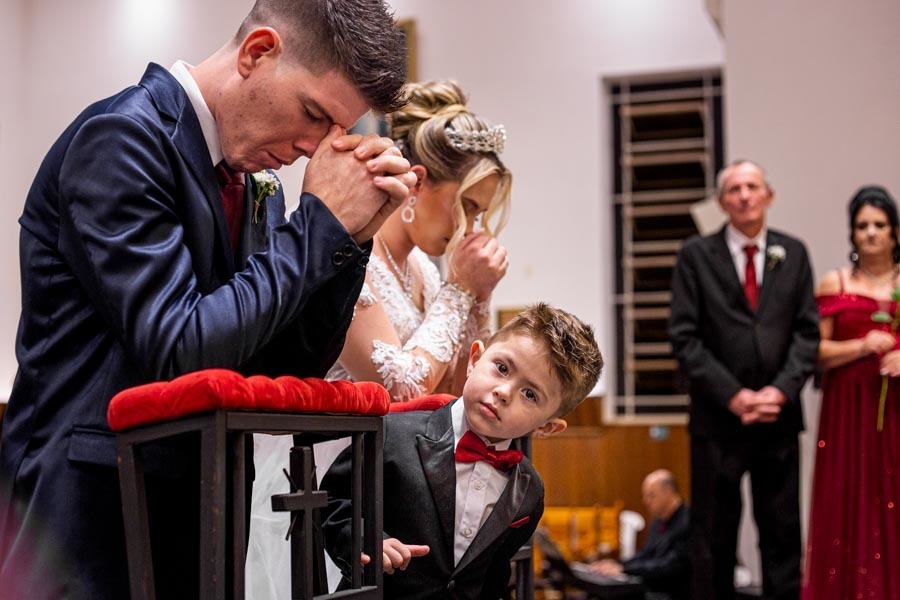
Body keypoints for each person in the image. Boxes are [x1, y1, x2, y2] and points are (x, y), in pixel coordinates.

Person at [0, 1, 415, 598]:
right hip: (85, 518)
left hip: (203, 514)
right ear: (258, 51)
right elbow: (181, 346)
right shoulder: (122, 139)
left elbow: (277, 365)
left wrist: (348, 239)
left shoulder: (252, 180)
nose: (311, 148)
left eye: (334, 132)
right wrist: (316, 226)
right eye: (312, 114)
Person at [246, 79, 512, 597]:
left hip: (389, 481)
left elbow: (454, 392)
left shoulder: (426, 274)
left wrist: (476, 299)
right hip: (324, 477)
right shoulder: (357, 257)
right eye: (469, 206)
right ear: (418, 183)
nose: (474, 226)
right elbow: (403, 391)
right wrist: (460, 292)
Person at [321, 303, 603, 599]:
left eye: (530, 394)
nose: (504, 392)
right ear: (475, 359)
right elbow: (331, 502)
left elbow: (494, 572)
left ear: (545, 428)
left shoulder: (529, 491)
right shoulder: (391, 434)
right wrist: (366, 541)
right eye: (502, 368)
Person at [669, 159, 820, 600]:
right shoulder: (695, 256)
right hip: (717, 422)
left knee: (782, 538)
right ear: (722, 202)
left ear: (768, 196)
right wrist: (732, 394)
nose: (744, 196)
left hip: (778, 421)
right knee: (713, 540)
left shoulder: (794, 253)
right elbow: (684, 337)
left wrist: (782, 390)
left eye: (752, 187)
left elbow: (807, 333)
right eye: (734, 189)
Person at [803, 185, 900, 600]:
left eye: (880, 224)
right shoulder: (835, 281)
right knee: (848, 496)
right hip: (847, 409)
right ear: (852, 233)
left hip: (895, 407)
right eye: (862, 225)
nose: (871, 233)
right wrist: (862, 345)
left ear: (895, 231)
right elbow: (814, 350)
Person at [590, 470, 691, 600]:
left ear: (669, 493)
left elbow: (670, 566)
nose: (646, 501)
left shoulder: (688, 521)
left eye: (651, 495)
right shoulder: (658, 520)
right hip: (652, 587)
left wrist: (624, 569)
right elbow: (645, 554)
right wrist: (618, 564)